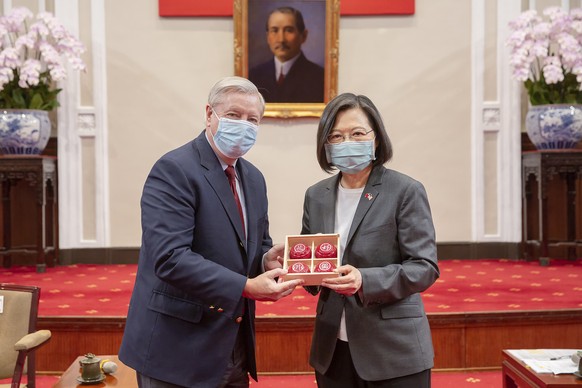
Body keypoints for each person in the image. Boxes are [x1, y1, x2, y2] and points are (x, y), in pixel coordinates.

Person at [118, 76, 304, 388]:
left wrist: (265, 261)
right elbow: (170, 259)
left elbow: (252, 246)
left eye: (252, 119)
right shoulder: (174, 170)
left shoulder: (254, 179)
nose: (243, 125)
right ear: (209, 114)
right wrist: (246, 286)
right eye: (233, 116)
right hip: (177, 350)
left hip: (233, 345)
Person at [302, 93, 440, 387]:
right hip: (332, 348)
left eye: (357, 133)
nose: (346, 142)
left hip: (392, 350)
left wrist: (365, 280)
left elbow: (424, 267)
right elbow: (313, 268)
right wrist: (296, 265)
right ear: (325, 145)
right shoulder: (316, 195)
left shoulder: (405, 191)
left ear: (375, 138)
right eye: (336, 136)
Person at [248, 6, 324, 103]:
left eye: (289, 30)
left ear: (303, 36)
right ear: (268, 37)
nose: (281, 39)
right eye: (274, 30)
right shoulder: (254, 76)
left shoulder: (319, 77)